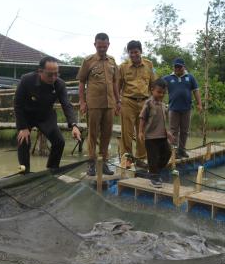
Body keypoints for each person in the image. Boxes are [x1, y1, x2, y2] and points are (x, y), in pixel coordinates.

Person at [15, 56, 81, 174]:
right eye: (50, 74)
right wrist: (23, 127)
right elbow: (17, 104)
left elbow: (66, 104)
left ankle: (52, 170)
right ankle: (24, 173)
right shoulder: (27, 80)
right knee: (23, 141)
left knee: (59, 141)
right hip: (27, 115)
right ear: (40, 71)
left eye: (56, 74)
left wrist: (74, 125)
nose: (54, 77)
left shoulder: (59, 84)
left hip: (45, 115)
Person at [77, 33, 120, 176]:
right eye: (99, 46)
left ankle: (104, 162)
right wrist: (82, 102)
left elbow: (115, 82)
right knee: (93, 134)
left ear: (108, 44)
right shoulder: (88, 61)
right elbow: (82, 82)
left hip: (109, 104)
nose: (102, 49)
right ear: (94, 45)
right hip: (94, 103)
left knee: (107, 134)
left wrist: (118, 101)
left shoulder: (112, 61)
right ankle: (91, 164)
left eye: (104, 46)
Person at [119, 40, 156, 168]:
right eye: (131, 52)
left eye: (136, 52)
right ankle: (127, 159)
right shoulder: (123, 67)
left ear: (141, 51)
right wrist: (118, 103)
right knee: (126, 133)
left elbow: (153, 85)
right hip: (128, 101)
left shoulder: (149, 65)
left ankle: (141, 158)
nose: (134, 55)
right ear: (128, 53)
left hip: (145, 102)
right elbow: (118, 86)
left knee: (143, 131)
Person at [163, 58, 202, 158]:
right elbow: (158, 87)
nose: (177, 68)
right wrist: (160, 103)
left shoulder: (190, 77)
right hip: (173, 109)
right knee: (173, 131)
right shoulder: (168, 78)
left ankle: (182, 150)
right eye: (176, 66)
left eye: (179, 66)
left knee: (184, 131)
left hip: (186, 109)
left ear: (183, 67)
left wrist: (199, 104)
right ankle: (174, 152)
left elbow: (196, 91)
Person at [139, 78, 173, 188]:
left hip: (162, 136)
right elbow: (142, 118)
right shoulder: (148, 103)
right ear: (152, 90)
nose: (161, 94)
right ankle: (153, 176)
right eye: (159, 92)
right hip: (151, 137)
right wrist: (140, 132)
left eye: (163, 93)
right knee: (152, 157)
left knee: (168, 153)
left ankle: (154, 171)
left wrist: (168, 132)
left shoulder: (163, 105)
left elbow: (164, 121)